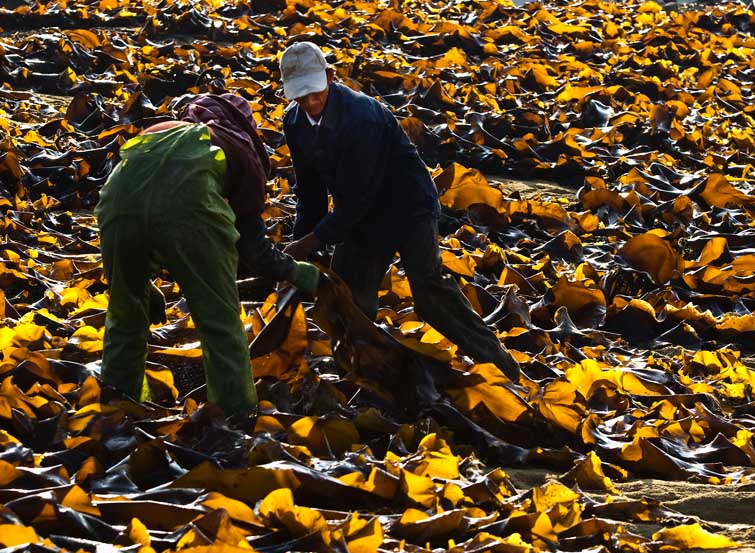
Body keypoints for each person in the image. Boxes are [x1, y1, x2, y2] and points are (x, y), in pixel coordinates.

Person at [279, 42, 521, 382]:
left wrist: (311, 242)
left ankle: (500, 363)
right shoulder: (295, 124)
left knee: (429, 293)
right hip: (362, 215)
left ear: (330, 78)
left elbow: (356, 200)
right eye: (300, 97)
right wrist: (299, 246)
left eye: (315, 93)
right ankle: (356, 375)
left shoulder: (361, 117)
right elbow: (311, 193)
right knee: (348, 296)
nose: (310, 103)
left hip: (408, 206)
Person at [95, 93, 319, 416]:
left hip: (114, 204)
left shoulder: (161, 129)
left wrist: (138, 280)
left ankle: (118, 409)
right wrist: (299, 273)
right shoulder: (239, 148)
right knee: (220, 320)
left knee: (124, 315)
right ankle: (237, 415)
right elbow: (254, 250)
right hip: (189, 208)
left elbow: (136, 197)